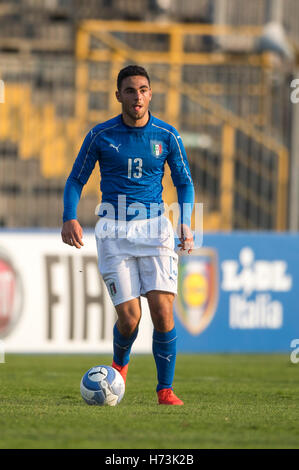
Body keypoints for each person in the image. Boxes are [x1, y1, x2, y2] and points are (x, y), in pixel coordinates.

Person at [61, 65, 194, 405]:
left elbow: (184, 182)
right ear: (118, 94)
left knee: (163, 312)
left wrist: (186, 220)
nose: (138, 97)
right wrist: (69, 217)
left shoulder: (167, 135)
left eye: (143, 90)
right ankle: (119, 365)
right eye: (131, 91)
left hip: (154, 228)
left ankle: (165, 391)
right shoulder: (101, 135)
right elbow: (76, 179)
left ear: (151, 94)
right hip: (114, 230)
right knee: (130, 317)